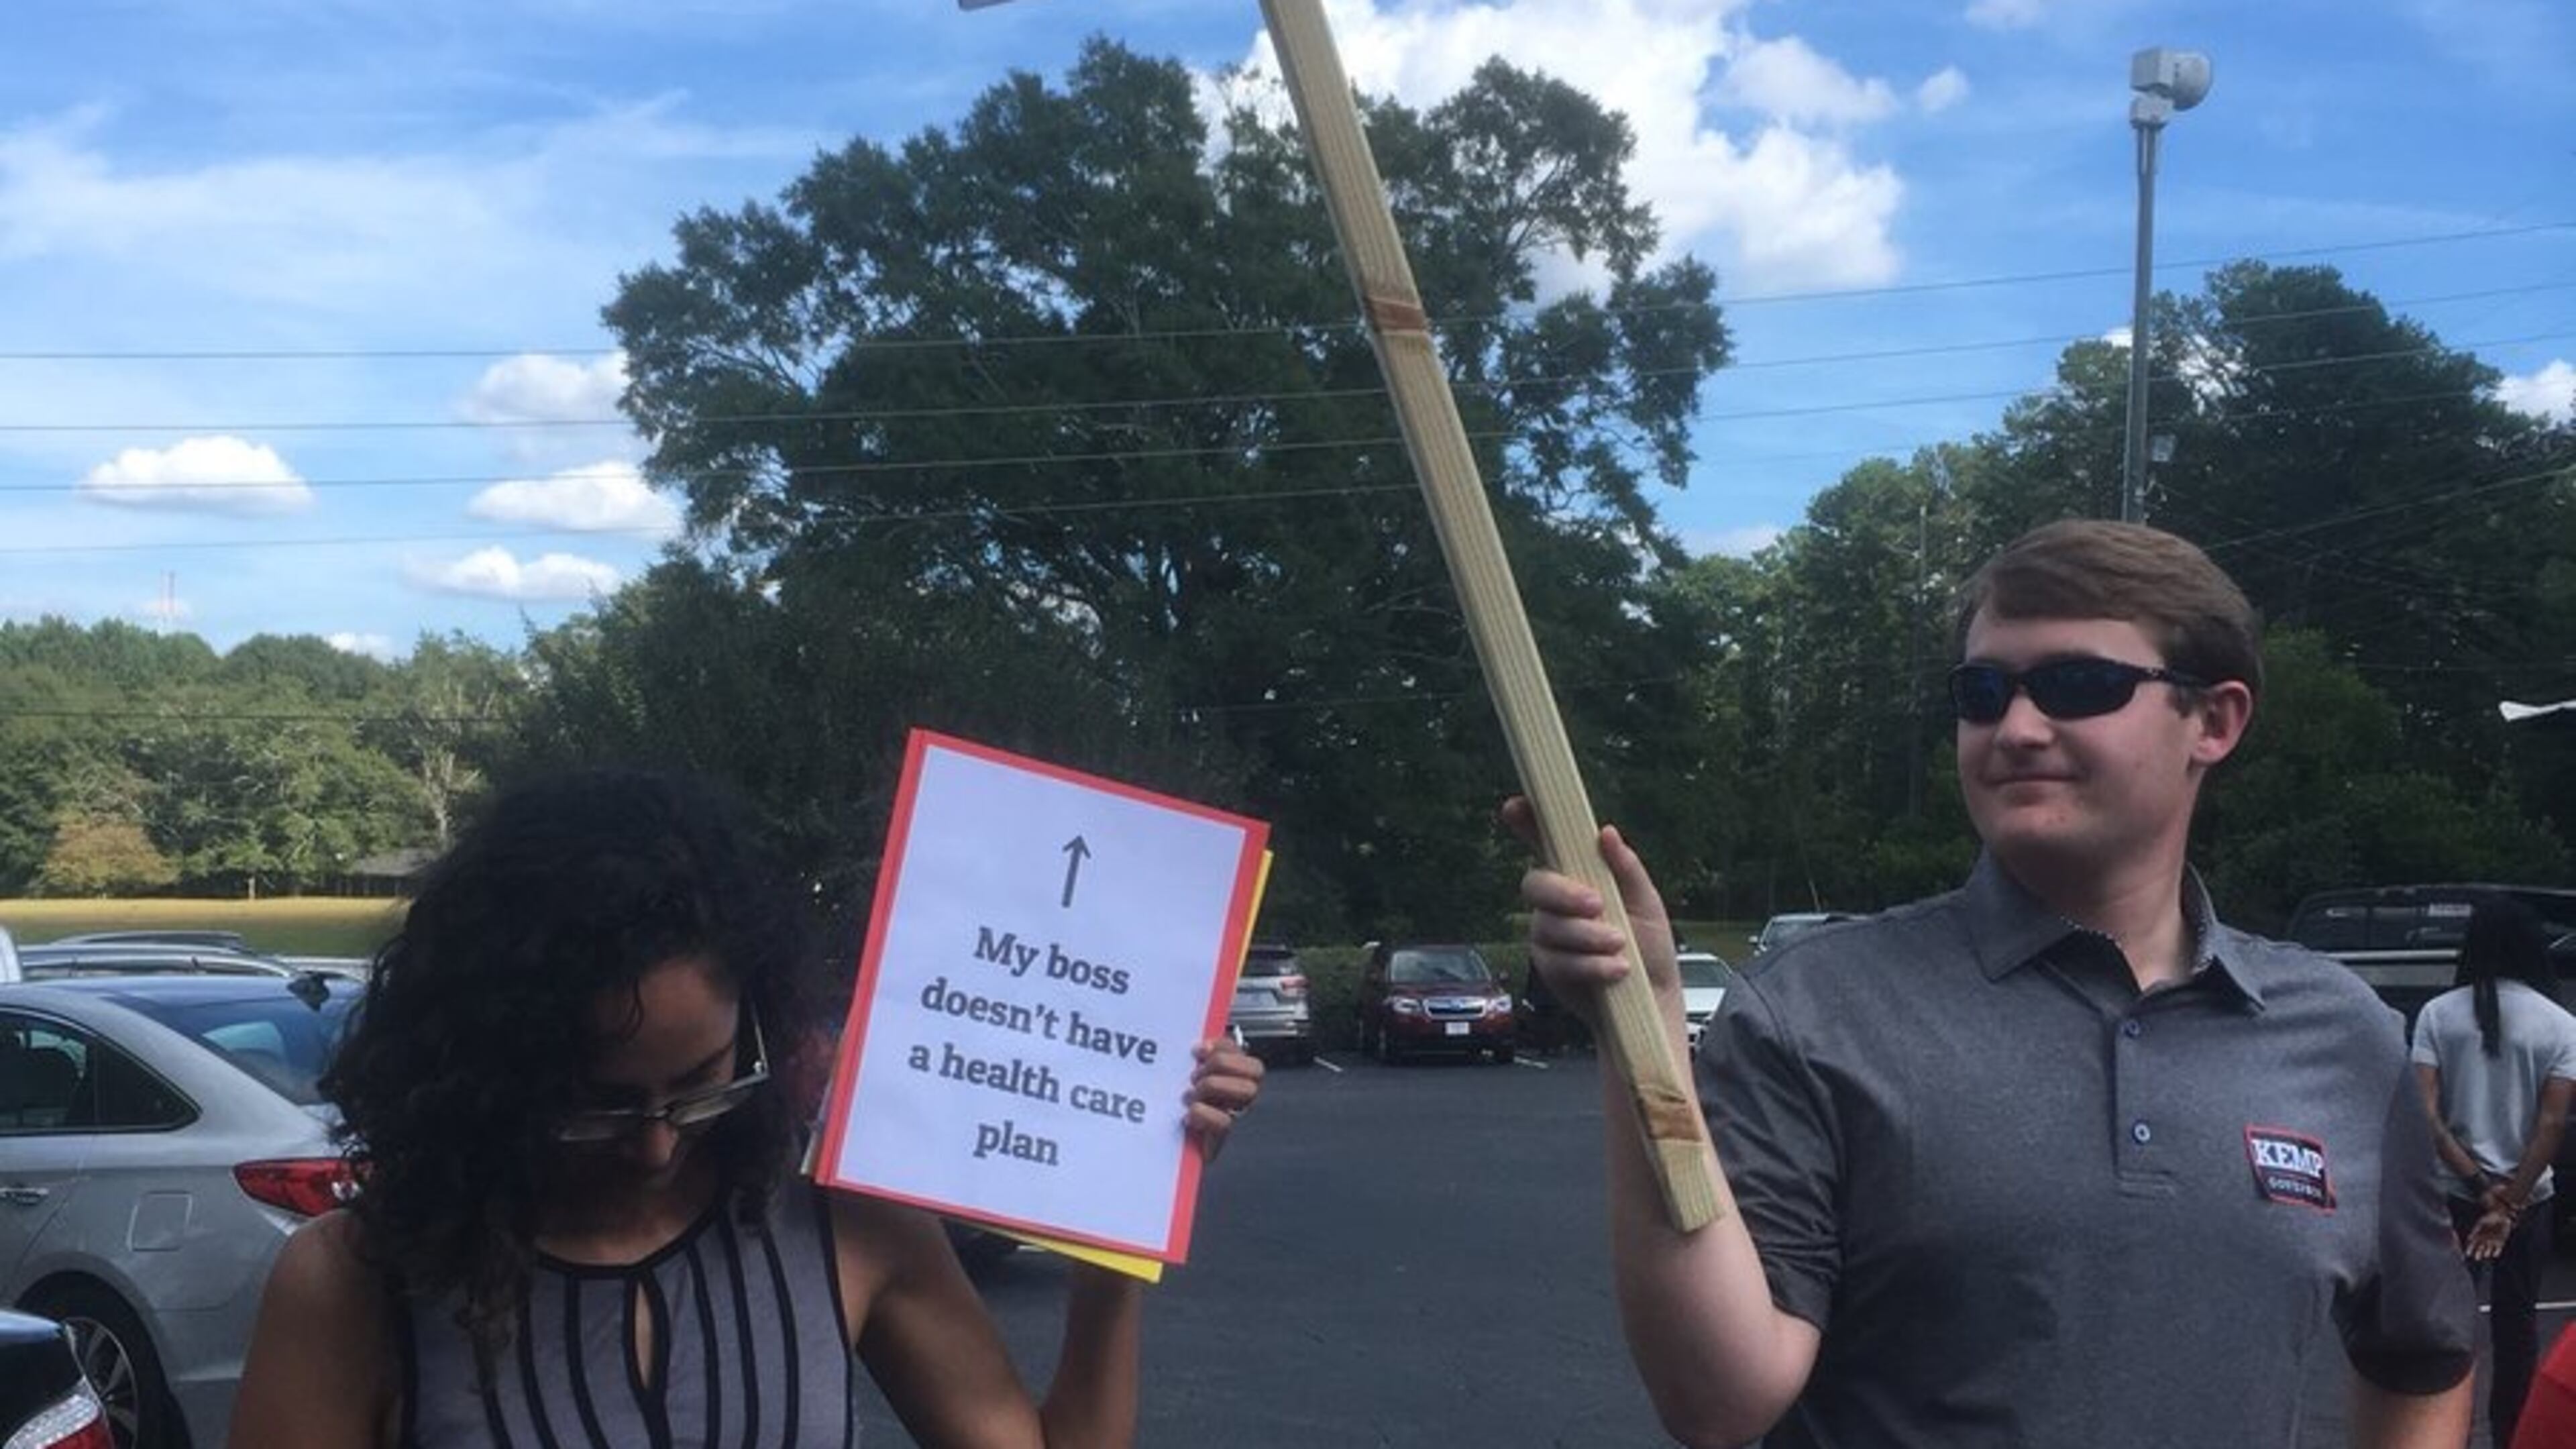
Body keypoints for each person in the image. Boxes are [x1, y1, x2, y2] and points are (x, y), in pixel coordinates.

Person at [1516, 519, 2477, 1448]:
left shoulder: (2341, 1032)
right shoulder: (1813, 1009)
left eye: (2075, 685)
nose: (2016, 727)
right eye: (1983, 692)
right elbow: (1720, 1400)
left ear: (2214, 721)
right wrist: (1638, 1036)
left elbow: (2424, 1358)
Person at [229, 769, 1262, 1448]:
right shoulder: (355, 1286)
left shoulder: (844, 1226)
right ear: (489, 1070)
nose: (656, 1144)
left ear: (761, 1024)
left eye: (704, 1084)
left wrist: (1118, 1234)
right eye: (596, 1105)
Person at [2411, 894, 2576, 1448]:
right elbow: (2552, 1125)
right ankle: (2513, 1437)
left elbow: (2427, 1118)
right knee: (2518, 1328)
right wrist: (2510, 1203)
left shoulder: (2439, 1015)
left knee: (2448, 1331)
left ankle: (2441, 1435)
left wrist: (2483, 1190)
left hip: (2454, 1199)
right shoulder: (2559, 1024)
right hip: (2529, 1204)